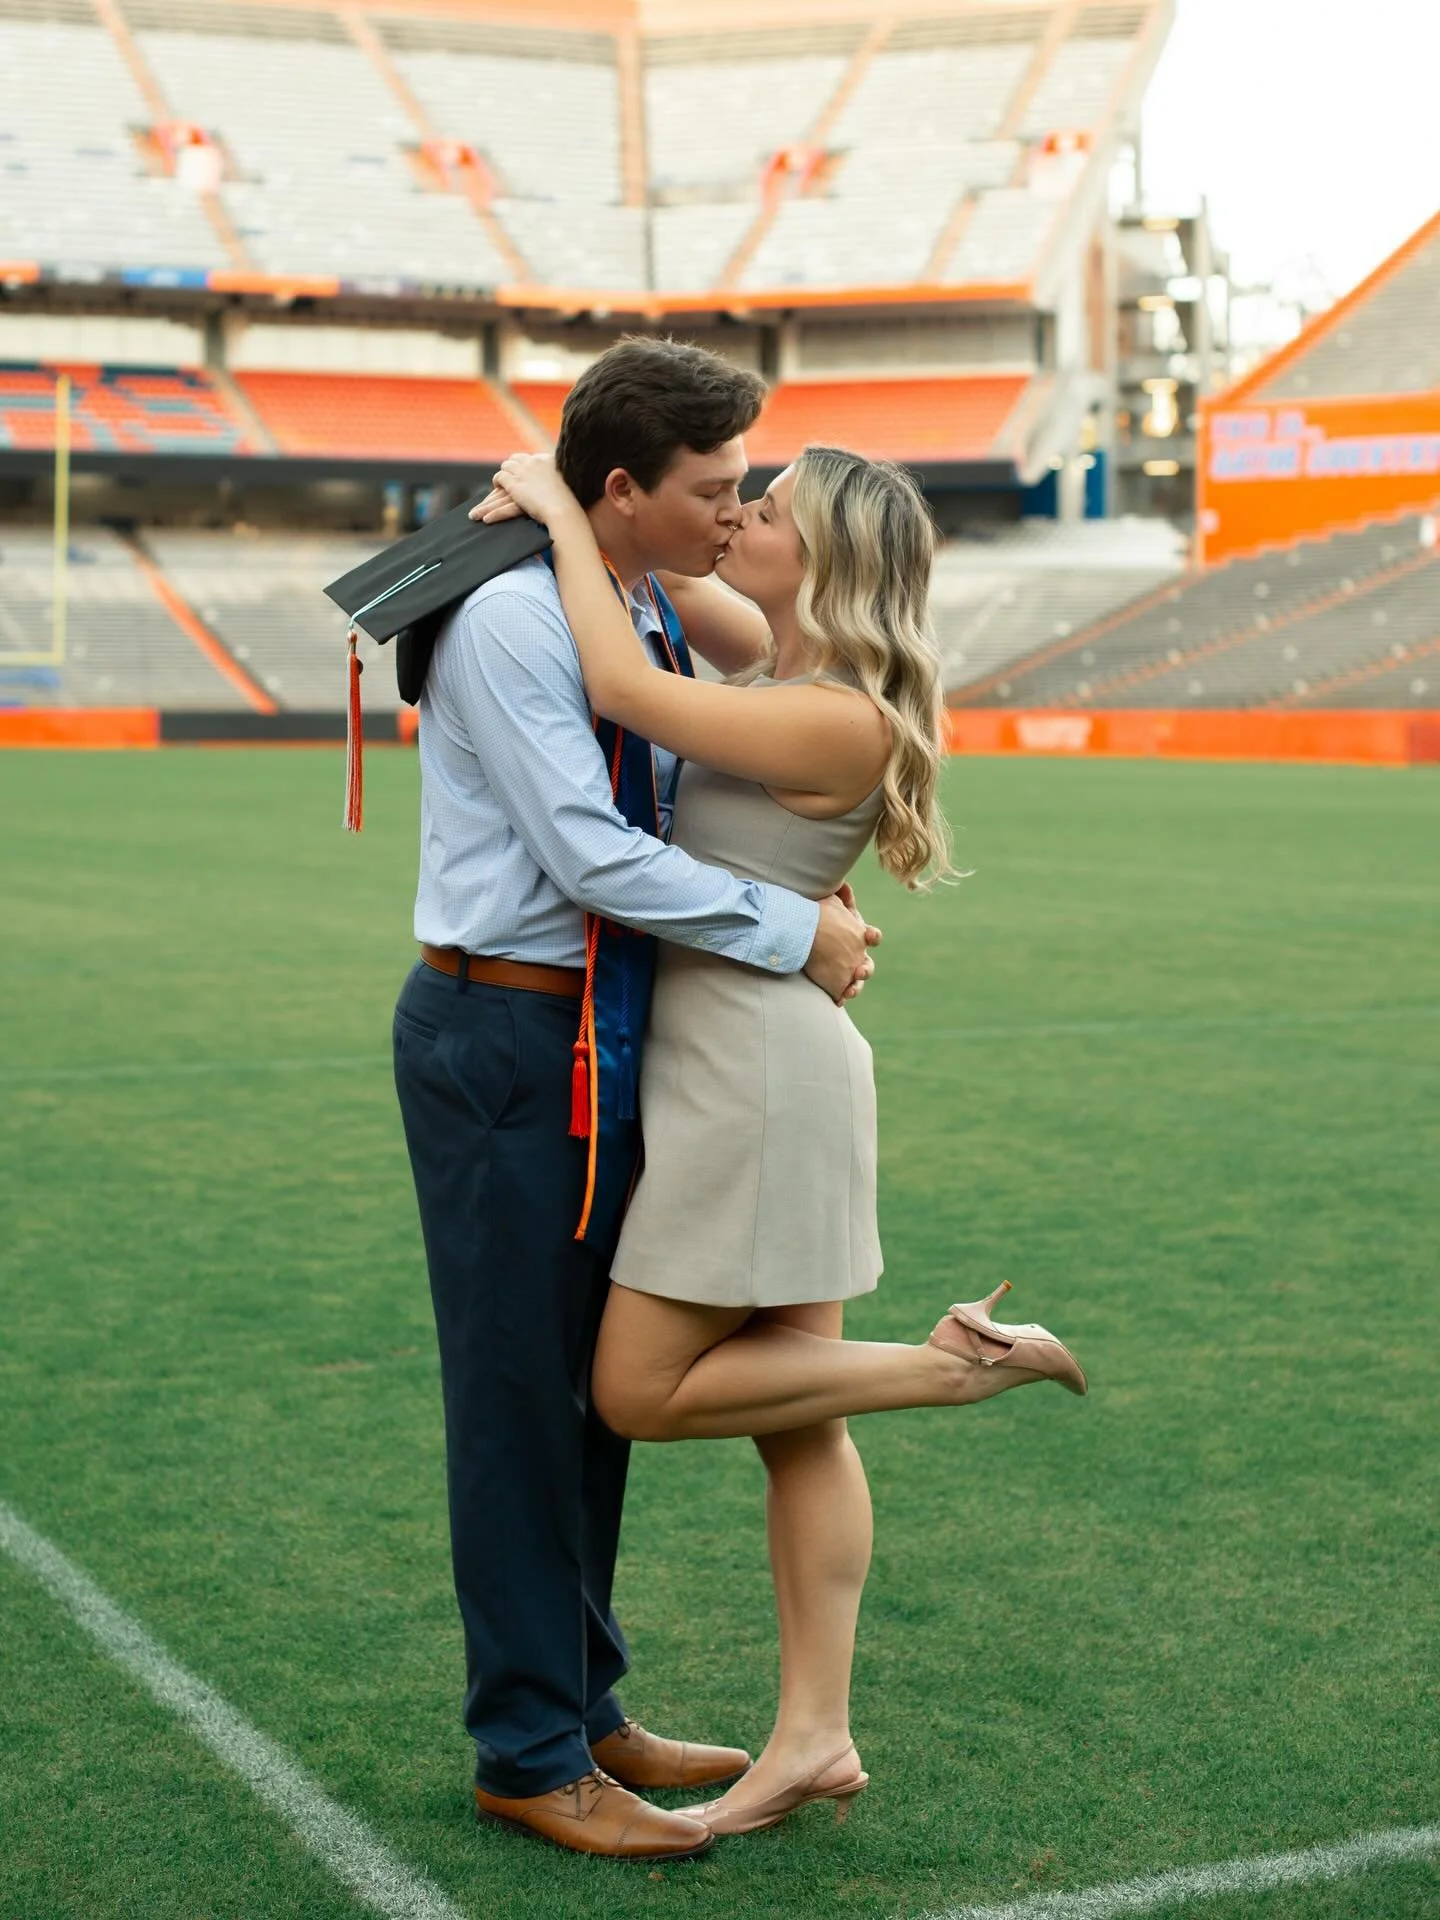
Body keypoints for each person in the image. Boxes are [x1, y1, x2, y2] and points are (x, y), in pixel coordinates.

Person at [477, 440, 1088, 1840]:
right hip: (751, 1061)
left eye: (762, 513)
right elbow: (661, 582)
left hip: (751, 1081)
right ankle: (815, 1735)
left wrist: (562, 504)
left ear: (816, 562)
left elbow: (627, 685)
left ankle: (951, 1371)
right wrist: (604, 504)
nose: (736, 522)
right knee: (798, 1414)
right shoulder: (773, 656)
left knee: (634, 1387)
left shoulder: (839, 717)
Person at [389, 339, 880, 1864]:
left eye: (749, 492)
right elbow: (591, 856)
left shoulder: (642, 595)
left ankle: (587, 1702)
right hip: (506, 1029)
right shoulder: (514, 622)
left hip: (604, 1028)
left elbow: (730, 681)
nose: (734, 510)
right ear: (628, 493)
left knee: (588, 1384)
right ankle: (528, 1751)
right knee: (523, 1399)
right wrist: (797, 931)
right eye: (715, 488)